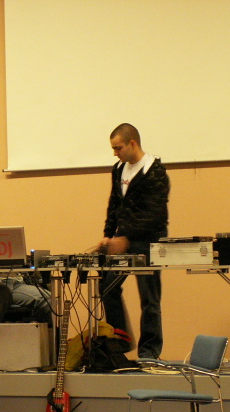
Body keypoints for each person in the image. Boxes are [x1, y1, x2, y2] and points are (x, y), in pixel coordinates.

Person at [97, 123, 169, 359]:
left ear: (132, 143)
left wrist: (126, 238)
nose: (115, 153)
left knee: (149, 298)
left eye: (118, 148)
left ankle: (149, 352)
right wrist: (109, 234)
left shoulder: (155, 171)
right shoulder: (118, 169)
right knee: (107, 288)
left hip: (148, 242)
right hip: (123, 239)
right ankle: (121, 341)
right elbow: (114, 204)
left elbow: (154, 214)